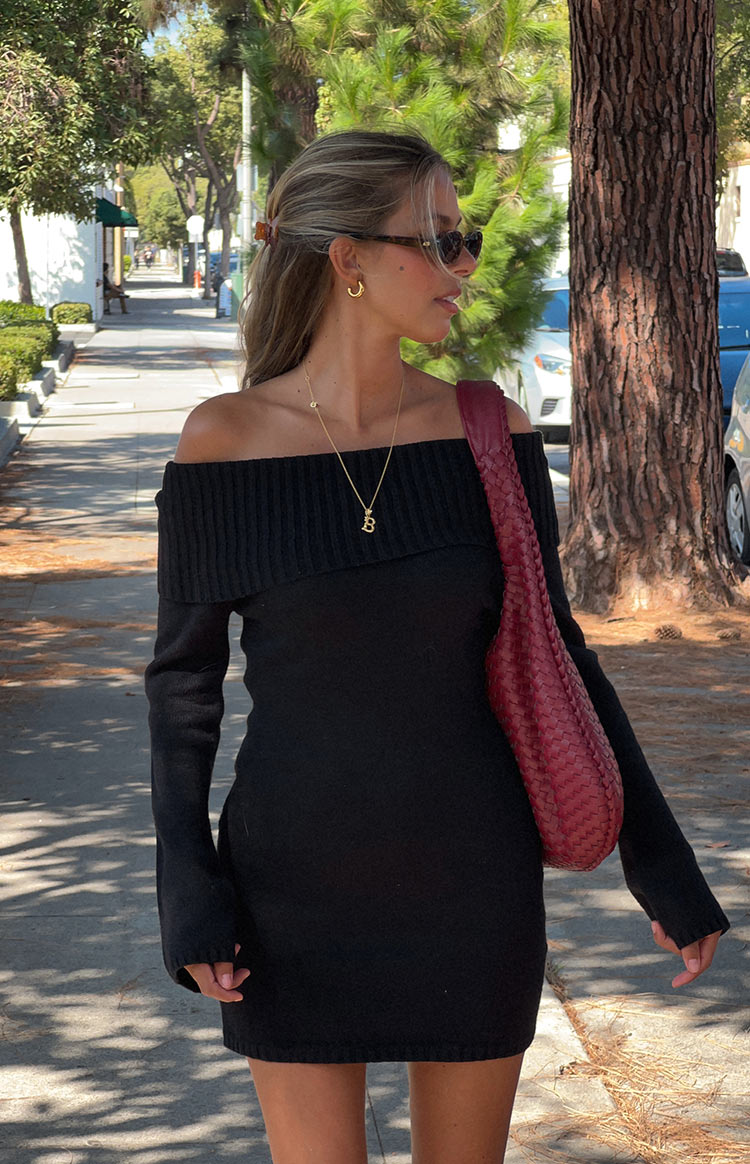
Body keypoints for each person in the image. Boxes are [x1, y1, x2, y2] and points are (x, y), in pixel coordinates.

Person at [145, 130, 728, 1164]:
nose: (466, 266)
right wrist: (188, 885)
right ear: (350, 258)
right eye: (441, 240)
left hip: (474, 884)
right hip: (290, 889)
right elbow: (182, 688)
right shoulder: (224, 442)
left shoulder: (490, 434)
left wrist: (662, 863)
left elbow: (560, 653)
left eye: (469, 239)